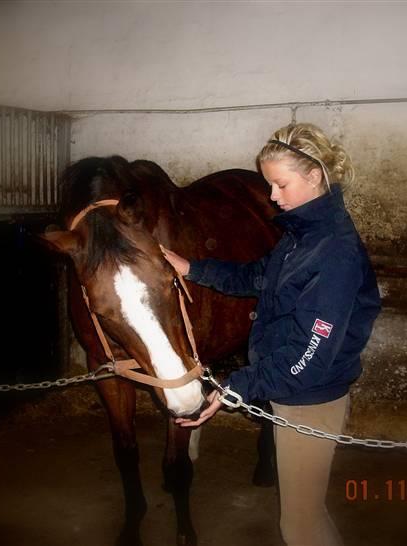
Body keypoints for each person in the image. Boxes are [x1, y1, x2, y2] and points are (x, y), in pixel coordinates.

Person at [161, 122, 381, 546]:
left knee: (299, 525)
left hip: (310, 397)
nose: (273, 197)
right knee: (306, 516)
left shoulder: (332, 249)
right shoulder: (303, 233)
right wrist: (194, 268)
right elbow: (261, 276)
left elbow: (309, 356)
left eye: (280, 184)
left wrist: (237, 385)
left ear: (315, 176)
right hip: (292, 388)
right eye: (269, 185)